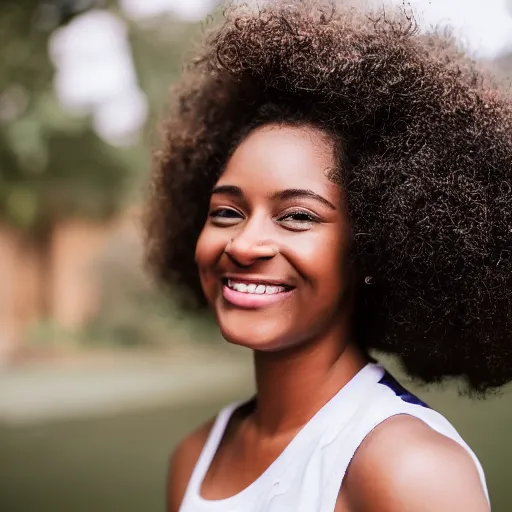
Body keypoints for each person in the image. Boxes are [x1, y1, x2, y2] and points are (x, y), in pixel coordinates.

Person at [145, 1, 512, 510]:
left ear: (375, 246)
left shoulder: (410, 470)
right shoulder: (195, 458)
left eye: (297, 216)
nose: (244, 244)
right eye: (226, 212)